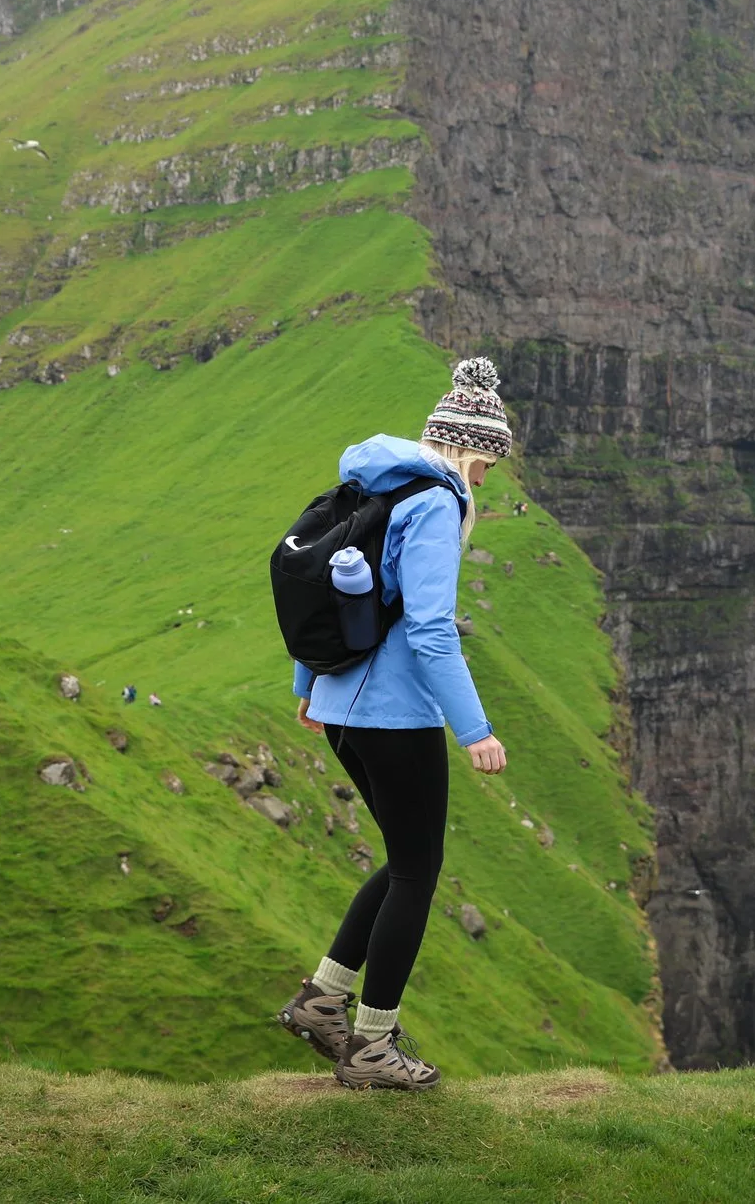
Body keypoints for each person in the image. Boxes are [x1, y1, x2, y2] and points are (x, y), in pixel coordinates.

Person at [277, 357, 512, 1091]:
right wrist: (474, 728)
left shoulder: (375, 485)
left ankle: (322, 999)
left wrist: (308, 687)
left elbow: (330, 586)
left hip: (344, 707)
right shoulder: (435, 504)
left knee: (403, 856)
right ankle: (373, 1044)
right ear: (471, 452)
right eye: (485, 468)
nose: (483, 483)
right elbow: (431, 629)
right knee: (418, 870)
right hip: (394, 714)